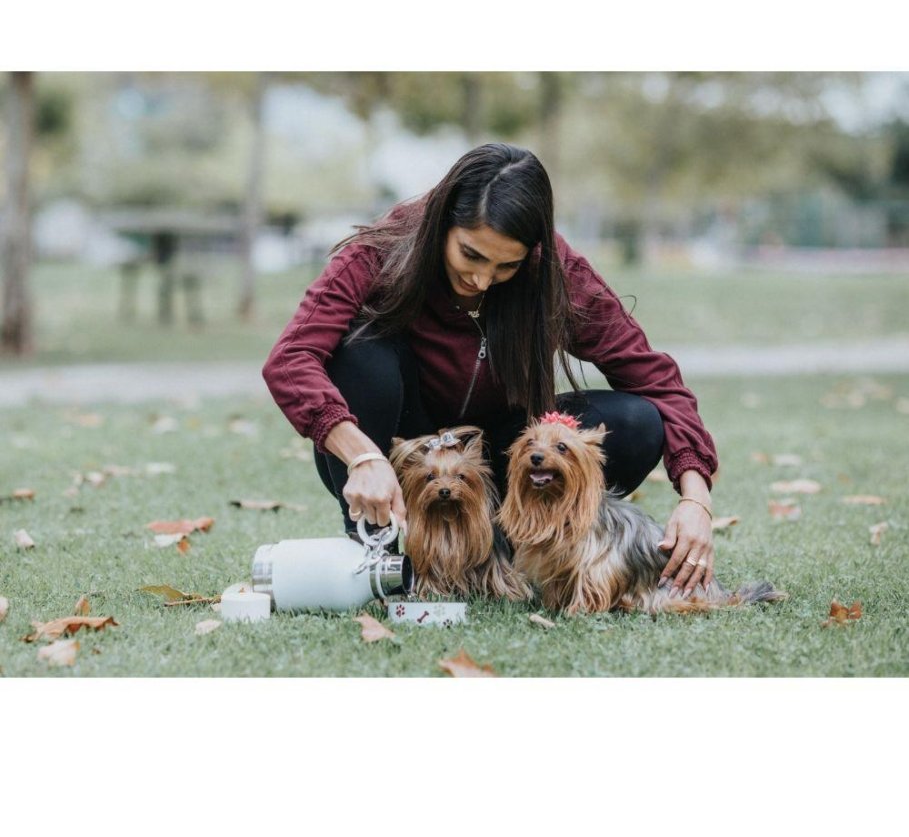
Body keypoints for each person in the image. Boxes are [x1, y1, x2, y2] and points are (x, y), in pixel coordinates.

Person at [263, 143, 719, 598]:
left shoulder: (556, 272)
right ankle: (377, 550)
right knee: (360, 353)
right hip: (393, 458)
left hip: (505, 461)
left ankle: (526, 549)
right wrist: (363, 455)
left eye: (507, 266)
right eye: (472, 255)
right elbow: (290, 358)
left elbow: (658, 383)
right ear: (443, 222)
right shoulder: (382, 250)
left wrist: (695, 498)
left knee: (637, 422)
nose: (482, 280)